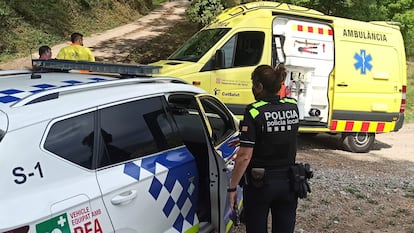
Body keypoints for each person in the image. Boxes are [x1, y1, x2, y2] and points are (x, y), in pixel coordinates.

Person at [228, 64, 300, 233]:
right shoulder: (292, 105)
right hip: (290, 181)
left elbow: (244, 157)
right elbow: (282, 134)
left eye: (253, 84)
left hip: (260, 184)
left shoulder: (253, 111)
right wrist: (247, 139)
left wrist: (232, 187)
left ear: (259, 86)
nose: (252, 88)